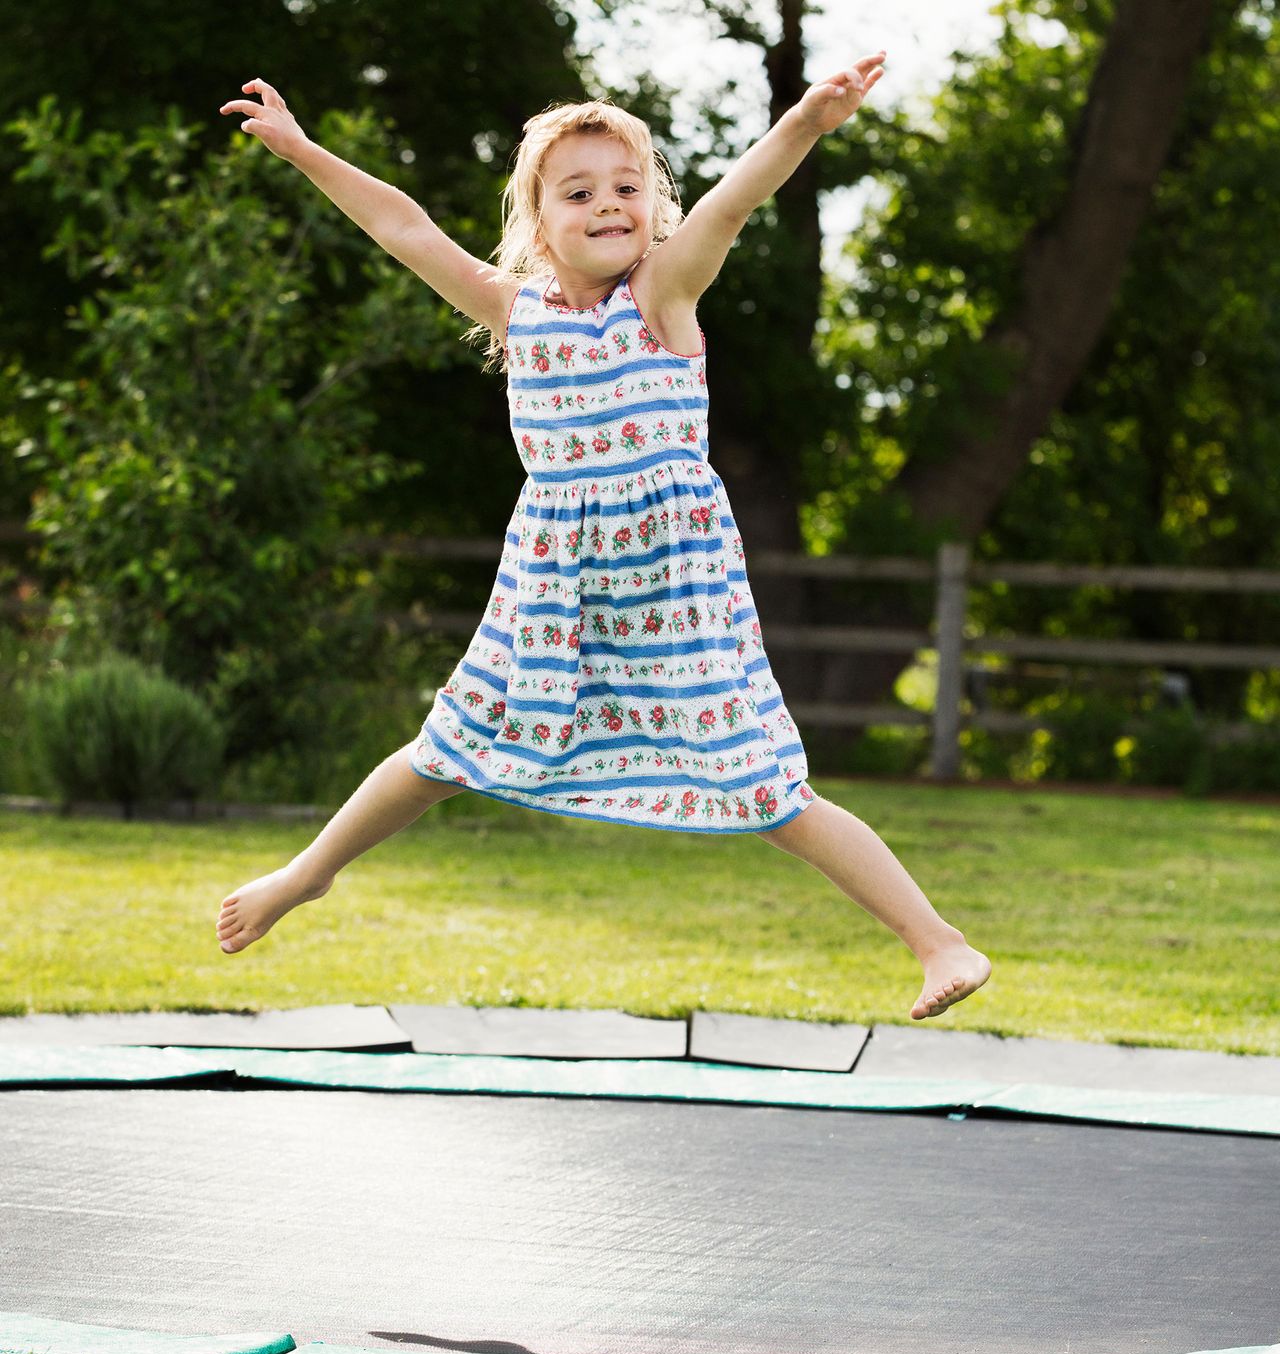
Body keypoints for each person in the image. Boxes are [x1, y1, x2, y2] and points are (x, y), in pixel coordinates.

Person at [214, 60, 992, 1022]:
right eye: (578, 193)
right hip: (554, 600)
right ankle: (307, 873)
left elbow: (732, 206)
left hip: (674, 599)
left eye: (627, 187)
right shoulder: (518, 313)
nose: (608, 205)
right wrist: (301, 151)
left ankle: (937, 940)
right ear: (540, 224)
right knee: (445, 747)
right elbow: (403, 227)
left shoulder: (662, 296)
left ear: (654, 209)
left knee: (769, 791)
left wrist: (802, 123)